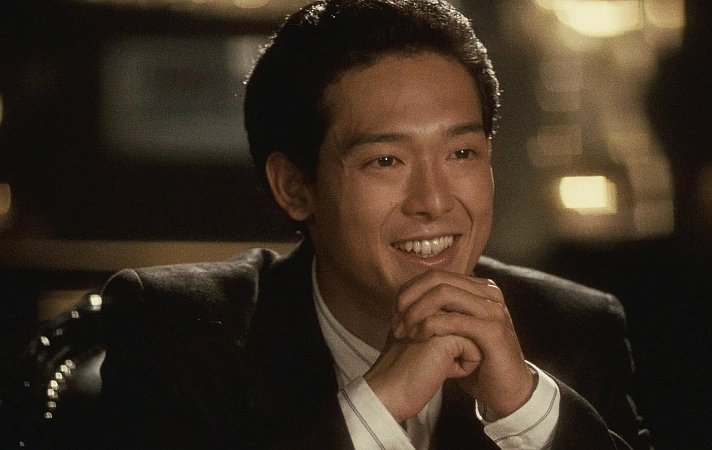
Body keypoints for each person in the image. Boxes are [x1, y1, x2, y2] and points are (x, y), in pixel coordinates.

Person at [99, 1, 652, 449]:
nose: (434, 201)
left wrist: (525, 410)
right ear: (295, 187)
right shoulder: (178, 332)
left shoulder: (574, 330)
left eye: (462, 153)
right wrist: (376, 406)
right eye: (386, 161)